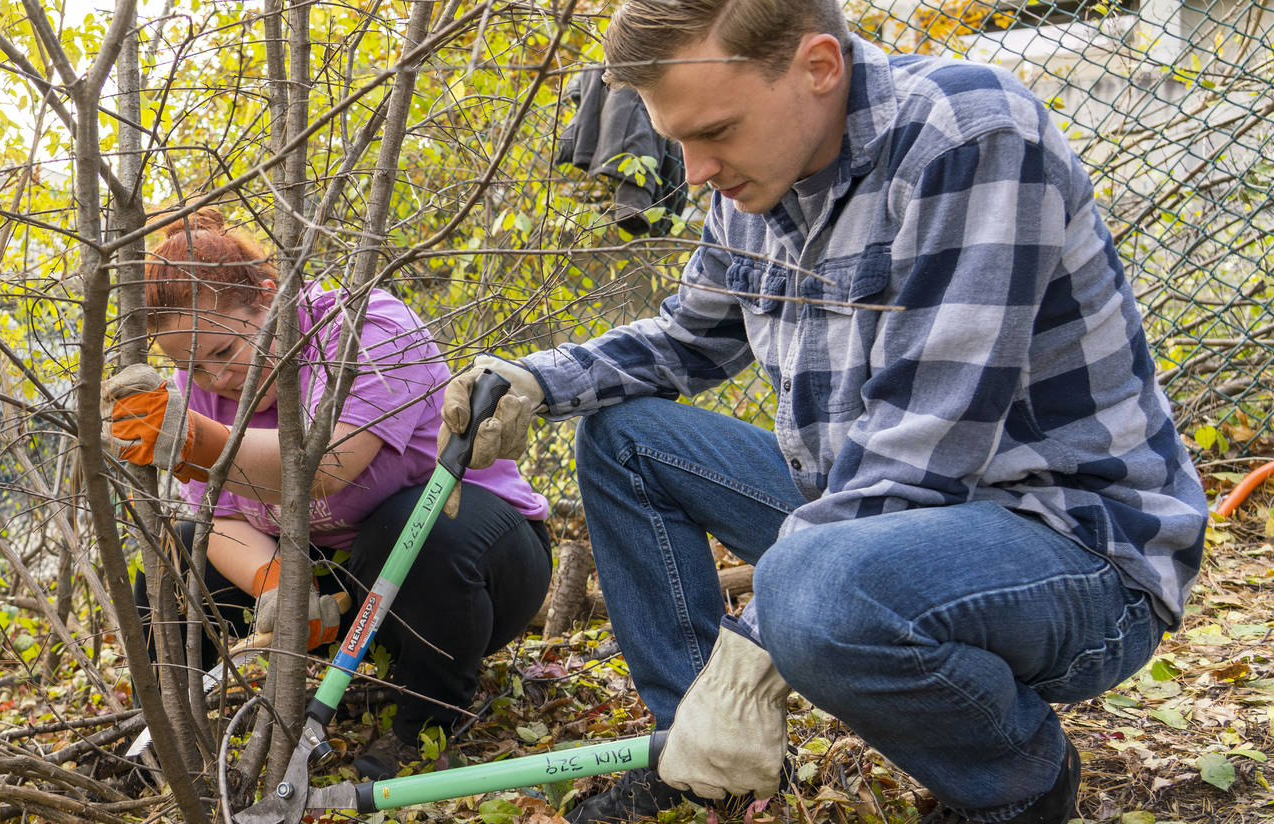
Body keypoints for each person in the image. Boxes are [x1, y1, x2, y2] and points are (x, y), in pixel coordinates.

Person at [437, 0, 1208, 820]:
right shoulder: (757, 178)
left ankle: (1016, 785)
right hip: (878, 526)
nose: (694, 171)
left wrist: (751, 648)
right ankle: (699, 758)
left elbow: (923, 445)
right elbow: (687, 339)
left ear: (817, 67)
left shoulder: (970, 136)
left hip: (1073, 548)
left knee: (814, 589)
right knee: (627, 437)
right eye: (680, 141)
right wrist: (535, 380)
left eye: (717, 132)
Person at [106, 208, 555, 780]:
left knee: (404, 527)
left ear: (269, 299)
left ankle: (427, 727)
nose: (213, 379)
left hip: (473, 566)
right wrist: (277, 585)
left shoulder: (367, 328)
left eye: (223, 353)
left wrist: (198, 438)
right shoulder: (191, 388)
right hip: (342, 584)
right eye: (191, 365)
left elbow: (327, 468)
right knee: (174, 552)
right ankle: (172, 740)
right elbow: (218, 519)